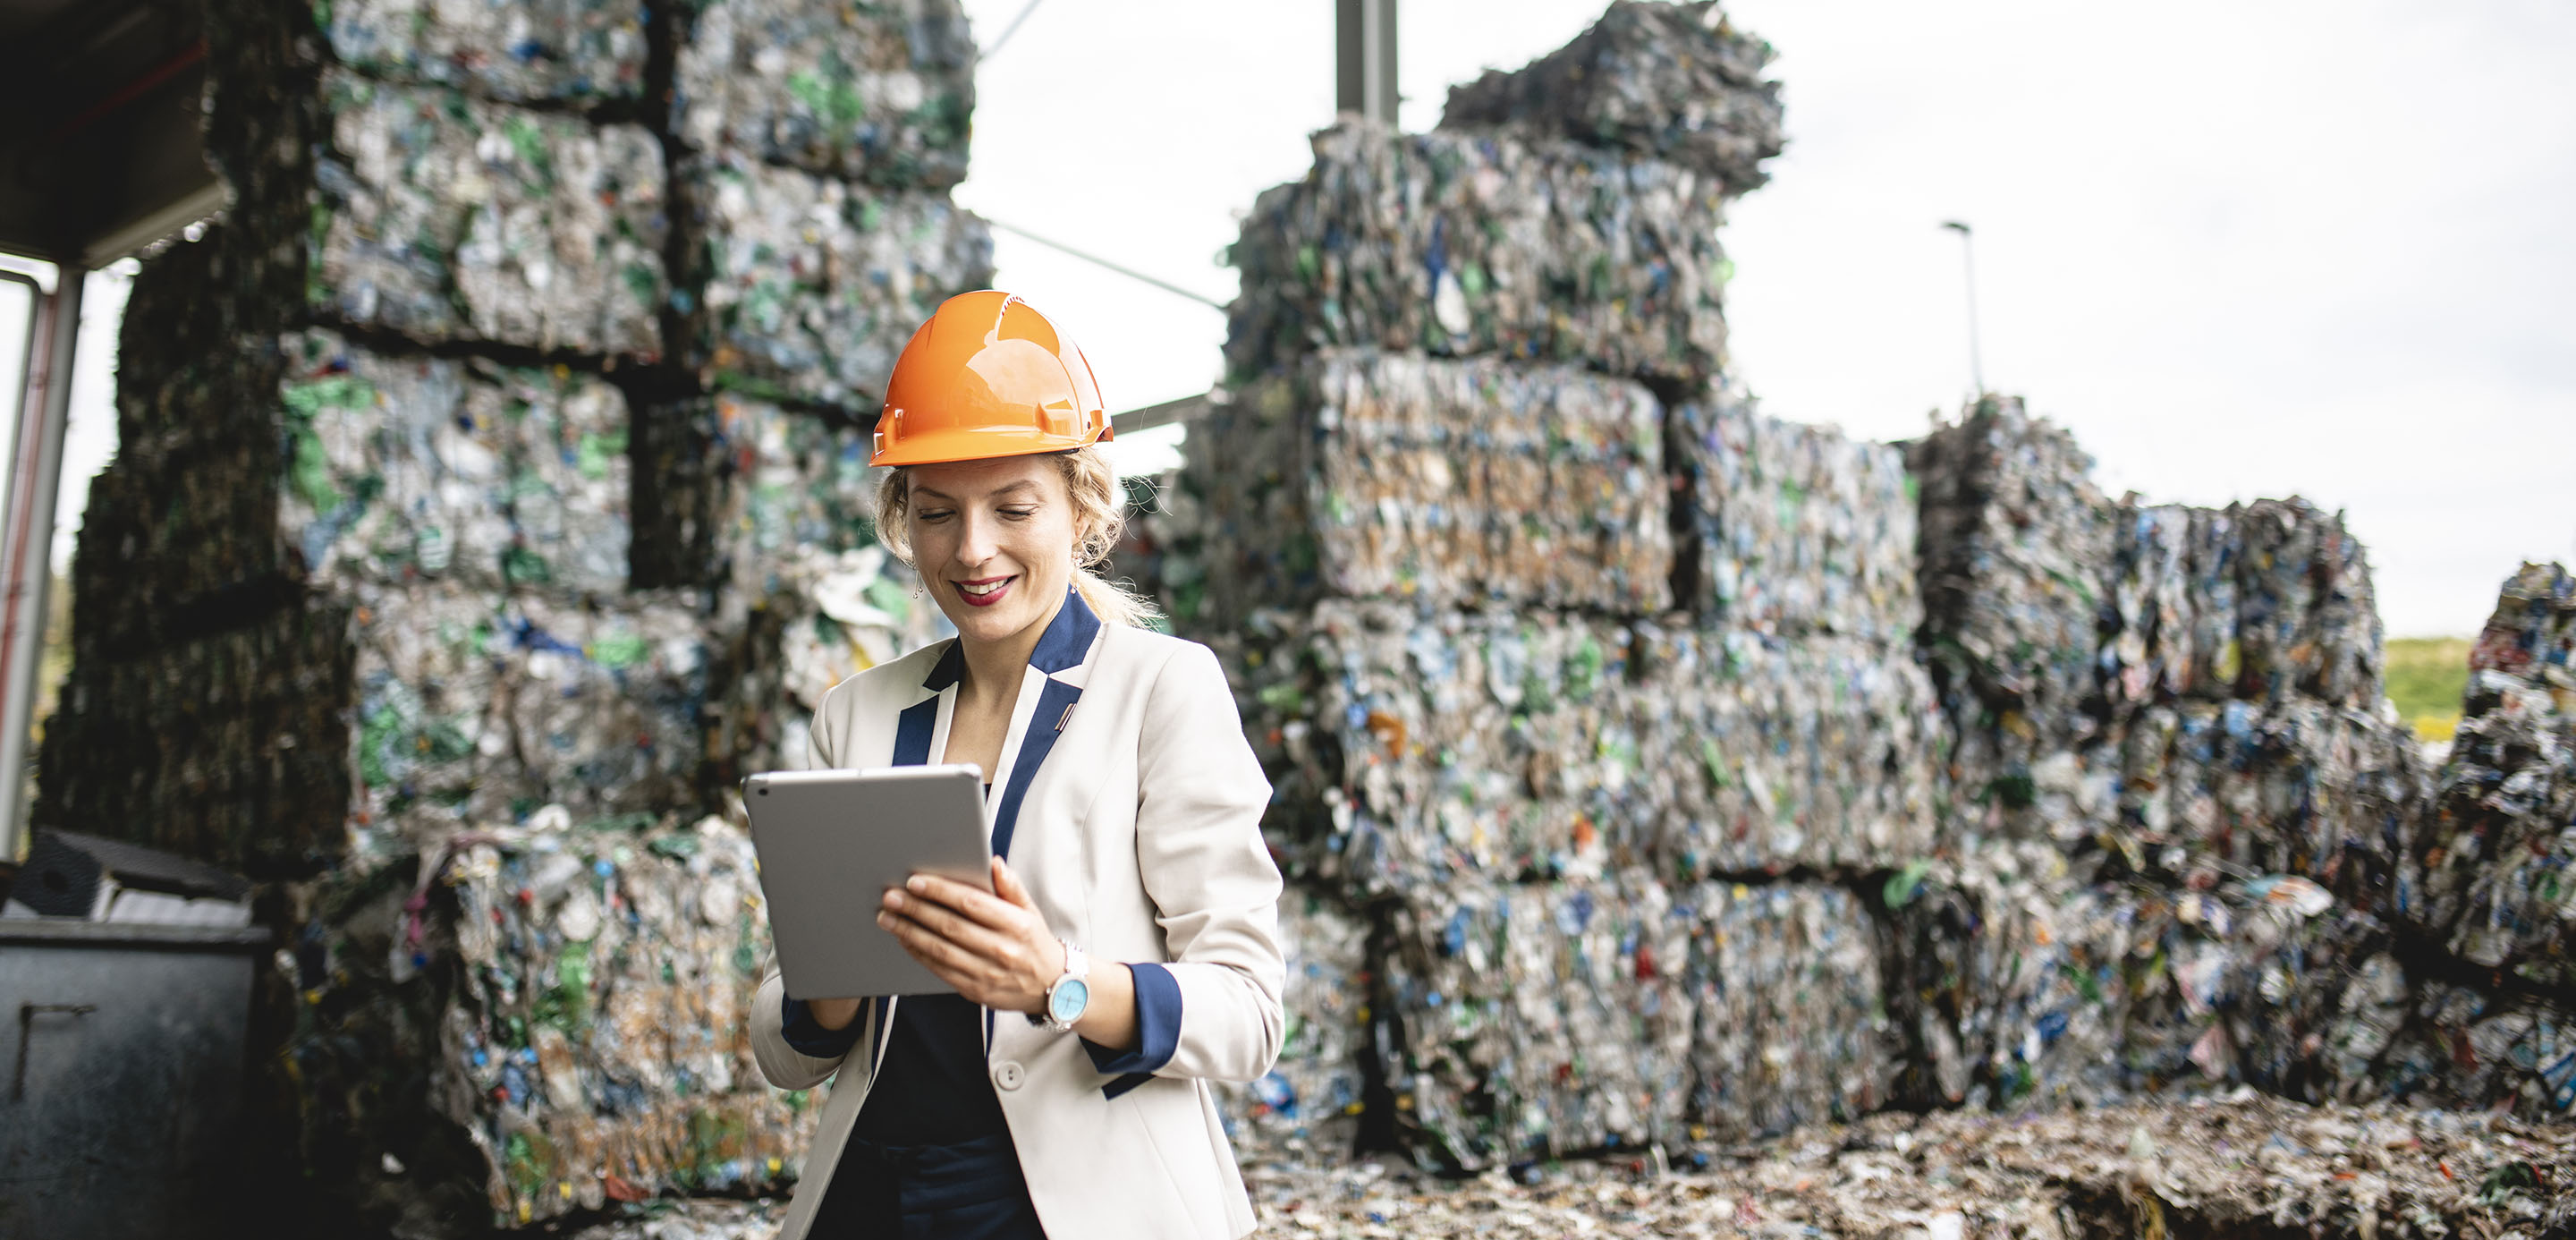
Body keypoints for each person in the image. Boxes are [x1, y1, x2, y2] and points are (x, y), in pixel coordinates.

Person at [749, 290, 1285, 1240]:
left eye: (1013, 508)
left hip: (1070, 1207)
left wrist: (1059, 981)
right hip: (871, 1193)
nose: (973, 550)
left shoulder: (1162, 690)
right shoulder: (856, 715)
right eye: (937, 513)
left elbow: (1247, 1015)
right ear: (902, 518)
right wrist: (827, 991)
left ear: (1082, 506)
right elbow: (785, 1052)